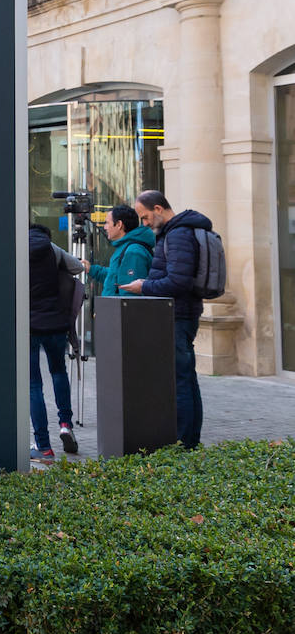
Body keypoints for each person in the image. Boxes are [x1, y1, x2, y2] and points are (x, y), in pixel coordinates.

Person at [120, 190, 212, 449]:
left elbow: (179, 281)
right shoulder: (175, 232)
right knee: (186, 378)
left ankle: (184, 442)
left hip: (179, 315)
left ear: (158, 208)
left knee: (180, 381)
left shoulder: (179, 234)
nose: (145, 223)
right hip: (179, 313)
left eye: (146, 217)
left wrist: (144, 286)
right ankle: (189, 439)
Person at [28, 222, 84, 462]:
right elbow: (78, 267)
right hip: (55, 323)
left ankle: (44, 447)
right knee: (59, 372)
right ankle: (65, 423)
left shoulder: (15, 248)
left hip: (27, 325)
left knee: (33, 385)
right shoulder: (52, 249)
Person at [82, 205, 155, 297]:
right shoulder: (126, 247)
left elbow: (130, 297)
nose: (105, 227)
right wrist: (91, 269)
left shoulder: (133, 252)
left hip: (120, 311)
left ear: (119, 225)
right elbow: (115, 277)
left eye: (107, 223)